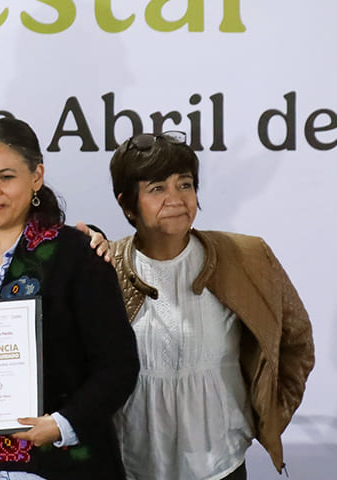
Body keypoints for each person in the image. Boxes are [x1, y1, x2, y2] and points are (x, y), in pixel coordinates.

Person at [107, 131, 315, 479]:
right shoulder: (104, 268)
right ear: (127, 204)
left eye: (184, 184)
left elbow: (297, 345)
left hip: (223, 466)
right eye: (157, 188)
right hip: (130, 468)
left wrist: (265, 415)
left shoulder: (247, 257)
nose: (175, 199)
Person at [0, 117, 139, 480]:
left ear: (36, 177)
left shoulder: (77, 254)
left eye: (6, 177)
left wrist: (60, 424)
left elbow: (119, 368)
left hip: (58, 463)